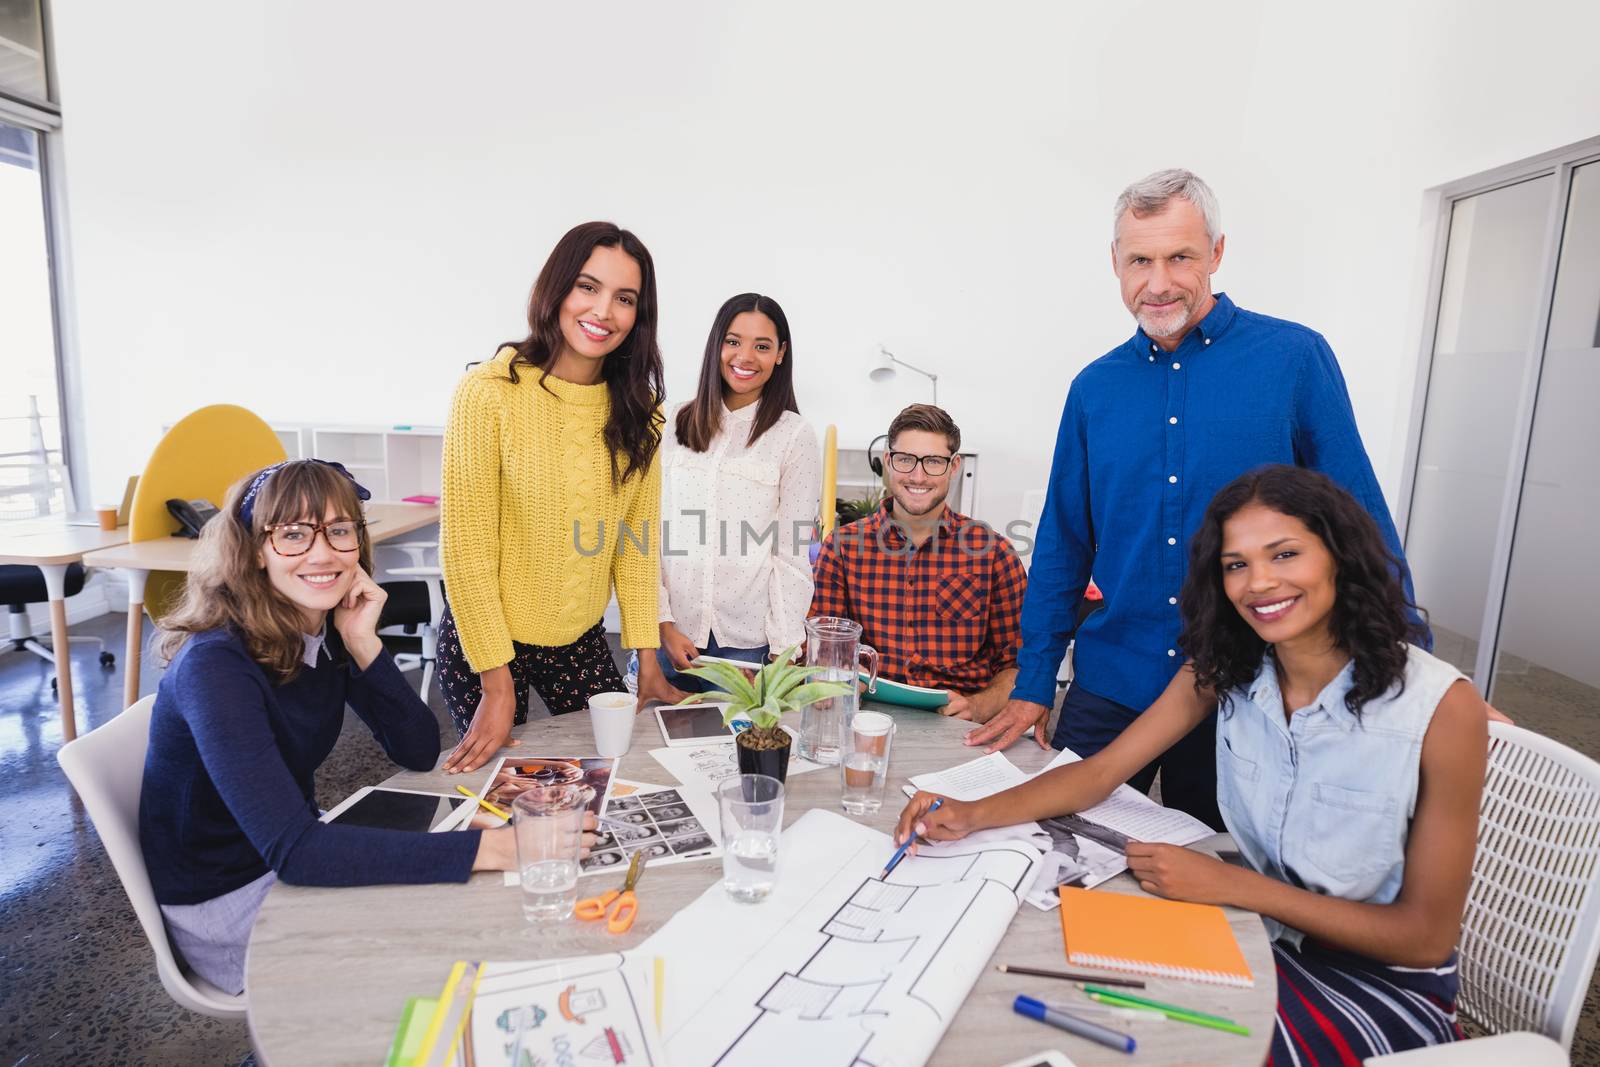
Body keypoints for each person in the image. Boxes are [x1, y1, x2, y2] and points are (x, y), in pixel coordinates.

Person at [898, 465, 1485, 1064]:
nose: (1259, 582)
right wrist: (971, 814)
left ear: (1341, 555)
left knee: (1161, 1051)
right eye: (1237, 564)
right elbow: (1099, 774)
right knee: (1068, 1005)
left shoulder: (1441, 707)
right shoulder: (1225, 667)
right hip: (1253, 939)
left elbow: (1423, 938)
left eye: (1284, 554)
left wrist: (1236, 886)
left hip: (1377, 985)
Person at [971, 168, 1421, 829]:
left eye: (1179, 256)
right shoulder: (1093, 390)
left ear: (1215, 252)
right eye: (1139, 260)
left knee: (1220, 893)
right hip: (1112, 681)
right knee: (1049, 854)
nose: (1158, 282)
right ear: (1115, 264)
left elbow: (1360, 522)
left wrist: (1404, 666)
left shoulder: (1295, 360)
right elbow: (1064, 544)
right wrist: (1036, 677)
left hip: (1254, 691)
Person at [138, 460, 577, 995]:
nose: (322, 554)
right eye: (294, 535)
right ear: (254, 550)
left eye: (339, 531)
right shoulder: (216, 666)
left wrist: (365, 642)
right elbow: (298, 853)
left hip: (290, 846)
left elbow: (416, 750)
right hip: (233, 895)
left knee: (475, 900)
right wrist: (503, 848)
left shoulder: (317, 630)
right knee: (463, 923)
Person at [438, 221, 667, 773]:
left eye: (625, 298)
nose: (603, 311)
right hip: (487, 640)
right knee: (510, 796)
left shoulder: (642, 413)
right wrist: (497, 686)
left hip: (580, 640)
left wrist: (648, 660)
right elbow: (467, 551)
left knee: (615, 774)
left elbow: (633, 546)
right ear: (557, 287)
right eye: (587, 287)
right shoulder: (488, 393)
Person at [649, 292, 821, 698]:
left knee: (740, 755)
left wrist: (781, 652)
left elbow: (792, 553)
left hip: (750, 646)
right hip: (672, 638)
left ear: (780, 354)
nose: (745, 356)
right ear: (717, 345)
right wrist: (661, 623)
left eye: (762, 346)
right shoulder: (672, 422)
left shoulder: (793, 436)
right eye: (733, 341)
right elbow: (650, 533)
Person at [810, 404, 1027, 722]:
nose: (918, 475)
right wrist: (835, 671)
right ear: (888, 461)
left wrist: (979, 706)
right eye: (905, 459)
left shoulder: (995, 554)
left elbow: (1019, 662)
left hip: (959, 725)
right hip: (867, 716)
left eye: (934, 462)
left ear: (954, 467)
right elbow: (824, 645)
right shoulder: (843, 548)